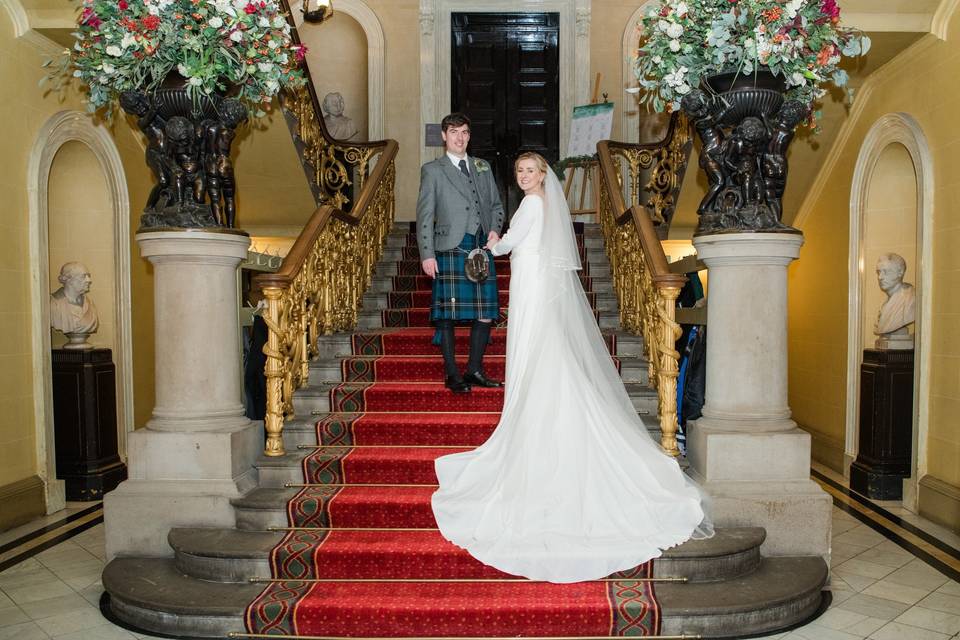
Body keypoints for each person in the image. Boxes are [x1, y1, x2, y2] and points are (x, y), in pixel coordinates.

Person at [431, 152, 711, 583]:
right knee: (551, 358)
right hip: (542, 288)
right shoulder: (545, 204)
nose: (523, 176)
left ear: (543, 175)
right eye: (519, 171)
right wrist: (499, 240)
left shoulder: (529, 205)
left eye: (530, 171)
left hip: (532, 291)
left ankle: (539, 423)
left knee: (536, 355)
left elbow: (508, 245)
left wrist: (490, 243)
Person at [416, 113, 505, 393]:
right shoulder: (433, 170)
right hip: (450, 248)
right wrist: (427, 254)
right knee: (448, 316)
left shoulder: (482, 167)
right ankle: (453, 374)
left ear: (469, 135)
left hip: (480, 248)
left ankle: (475, 370)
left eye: (464, 132)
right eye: (453, 132)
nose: (459, 137)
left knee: (484, 313)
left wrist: (495, 229)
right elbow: (425, 215)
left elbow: (495, 206)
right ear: (444, 136)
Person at [50, 262, 99, 345]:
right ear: (68, 280)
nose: (89, 280)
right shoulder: (53, 304)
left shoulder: (90, 304)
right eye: (83, 276)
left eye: (88, 276)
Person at [874, 253, 916, 347]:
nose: (880, 277)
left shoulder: (910, 300)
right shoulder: (884, 304)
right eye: (878, 272)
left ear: (900, 272)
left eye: (886, 272)